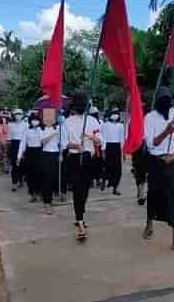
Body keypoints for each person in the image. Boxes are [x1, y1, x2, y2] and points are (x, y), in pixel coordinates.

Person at [142, 87, 174, 254]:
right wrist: (166, 132)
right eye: (162, 99)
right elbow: (152, 144)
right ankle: (149, 224)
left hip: (172, 160)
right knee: (154, 194)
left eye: (168, 99)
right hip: (155, 161)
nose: (166, 103)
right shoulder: (149, 118)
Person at [61, 92, 102, 241]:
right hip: (74, 158)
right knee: (78, 189)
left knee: (85, 189)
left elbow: (100, 141)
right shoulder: (67, 122)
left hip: (88, 159)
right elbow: (64, 144)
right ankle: (80, 222)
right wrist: (76, 145)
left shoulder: (92, 121)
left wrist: (92, 138)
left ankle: (80, 213)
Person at [39, 111, 60, 215]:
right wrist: (53, 134)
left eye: (51, 118)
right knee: (46, 178)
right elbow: (43, 141)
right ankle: (46, 202)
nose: (49, 120)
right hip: (46, 154)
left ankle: (51, 199)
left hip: (55, 154)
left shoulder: (58, 128)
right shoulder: (41, 129)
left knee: (53, 177)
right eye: (47, 118)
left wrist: (61, 155)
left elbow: (61, 143)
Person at [18, 113, 43, 201]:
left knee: (39, 173)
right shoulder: (27, 130)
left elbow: (43, 141)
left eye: (36, 120)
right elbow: (23, 143)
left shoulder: (41, 130)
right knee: (30, 173)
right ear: (30, 121)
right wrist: (19, 155)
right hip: (30, 152)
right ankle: (32, 194)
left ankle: (40, 192)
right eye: (33, 120)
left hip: (39, 152)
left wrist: (38, 130)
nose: (35, 121)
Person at [101, 109, 125, 195]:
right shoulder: (105, 125)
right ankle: (104, 180)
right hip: (108, 147)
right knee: (107, 166)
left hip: (117, 147)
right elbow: (103, 138)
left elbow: (122, 139)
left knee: (117, 169)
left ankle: (115, 188)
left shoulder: (120, 126)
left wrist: (123, 151)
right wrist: (103, 151)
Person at [8, 113, 25, 191]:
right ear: (14, 116)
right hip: (14, 145)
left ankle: (21, 180)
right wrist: (8, 150)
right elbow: (9, 138)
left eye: (19, 114)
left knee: (22, 164)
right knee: (14, 165)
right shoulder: (10, 125)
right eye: (16, 114)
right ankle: (14, 183)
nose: (18, 116)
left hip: (23, 144)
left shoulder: (26, 124)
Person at [89, 107, 105, 190]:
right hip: (94, 145)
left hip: (95, 145)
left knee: (94, 164)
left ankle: (94, 181)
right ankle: (96, 181)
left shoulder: (100, 122)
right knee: (97, 164)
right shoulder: (99, 122)